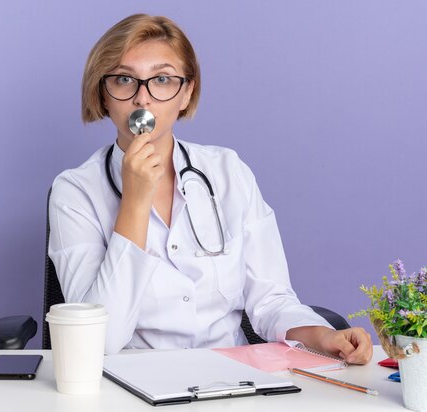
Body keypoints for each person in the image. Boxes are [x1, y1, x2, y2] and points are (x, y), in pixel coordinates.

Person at [48, 13, 372, 362]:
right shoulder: (75, 192)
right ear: (104, 94)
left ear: (186, 93)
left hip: (231, 379)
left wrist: (321, 337)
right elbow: (98, 342)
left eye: (162, 79)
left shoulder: (228, 172)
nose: (143, 98)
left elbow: (271, 300)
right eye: (125, 79)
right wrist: (135, 203)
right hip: (131, 383)